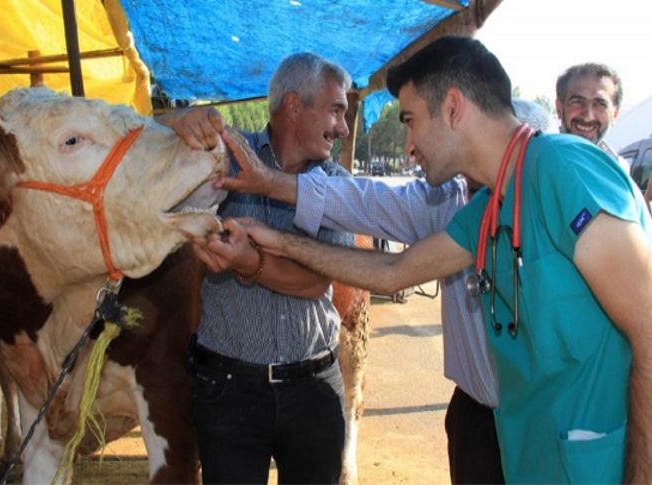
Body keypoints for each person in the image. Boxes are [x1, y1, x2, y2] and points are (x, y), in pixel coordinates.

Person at [218, 37, 651, 483]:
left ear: (452, 108)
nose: (407, 146)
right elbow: (395, 271)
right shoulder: (489, 209)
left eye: (410, 121)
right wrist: (279, 240)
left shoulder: (564, 167)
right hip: (536, 458)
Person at [202, 98, 551, 484]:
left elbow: (390, 273)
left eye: (414, 124)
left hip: (550, 421)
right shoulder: (448, 203)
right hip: (477, 419)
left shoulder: (569, 194)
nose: (409, 147)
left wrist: (263, 253)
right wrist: (277, 223)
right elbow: (377, 235)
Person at [160, 52, 355, 484]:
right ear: (293, 106)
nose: (342, 127)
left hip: (314, 390)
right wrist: (176, 122)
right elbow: (139, 144)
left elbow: (313, 281)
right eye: (335, 110)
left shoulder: (336, 184)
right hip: (229, 390)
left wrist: (250, 263)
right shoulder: (222, 161)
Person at [555, 62, 629, 170]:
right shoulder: (536, 159)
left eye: (600, 104)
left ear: (615, 114)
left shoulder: (618, 169)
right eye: (577, 102)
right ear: (559, 108)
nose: (588, 116)